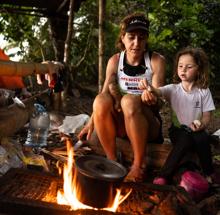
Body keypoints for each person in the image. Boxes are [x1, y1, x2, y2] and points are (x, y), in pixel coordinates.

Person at [78, 12, 166, 182]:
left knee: (129, 100)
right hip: (121, 124)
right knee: (101, 100)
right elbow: (103, 94)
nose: (136, 43)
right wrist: (90, 122)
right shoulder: (115, 61)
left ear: (146, 39)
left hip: (148, 125)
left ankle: (138, 165)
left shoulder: (155, 60)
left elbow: (160, 101)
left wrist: (152, 96)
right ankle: (112, 161)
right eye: (131, 37)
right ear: (123, 38)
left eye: (141, 38)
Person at [139, 46, 216, 184]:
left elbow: (207, 116)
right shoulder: (173, 89)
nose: (183, 70)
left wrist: (201, 125)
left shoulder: (204, 91)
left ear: (198, 69)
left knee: (203, 137)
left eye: (188, 67)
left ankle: (209, 174)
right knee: (186, 137)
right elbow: (158, 91)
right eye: (180, 66)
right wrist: (149, 87)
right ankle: (163, 176)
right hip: (178, 132)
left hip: (197, 131)